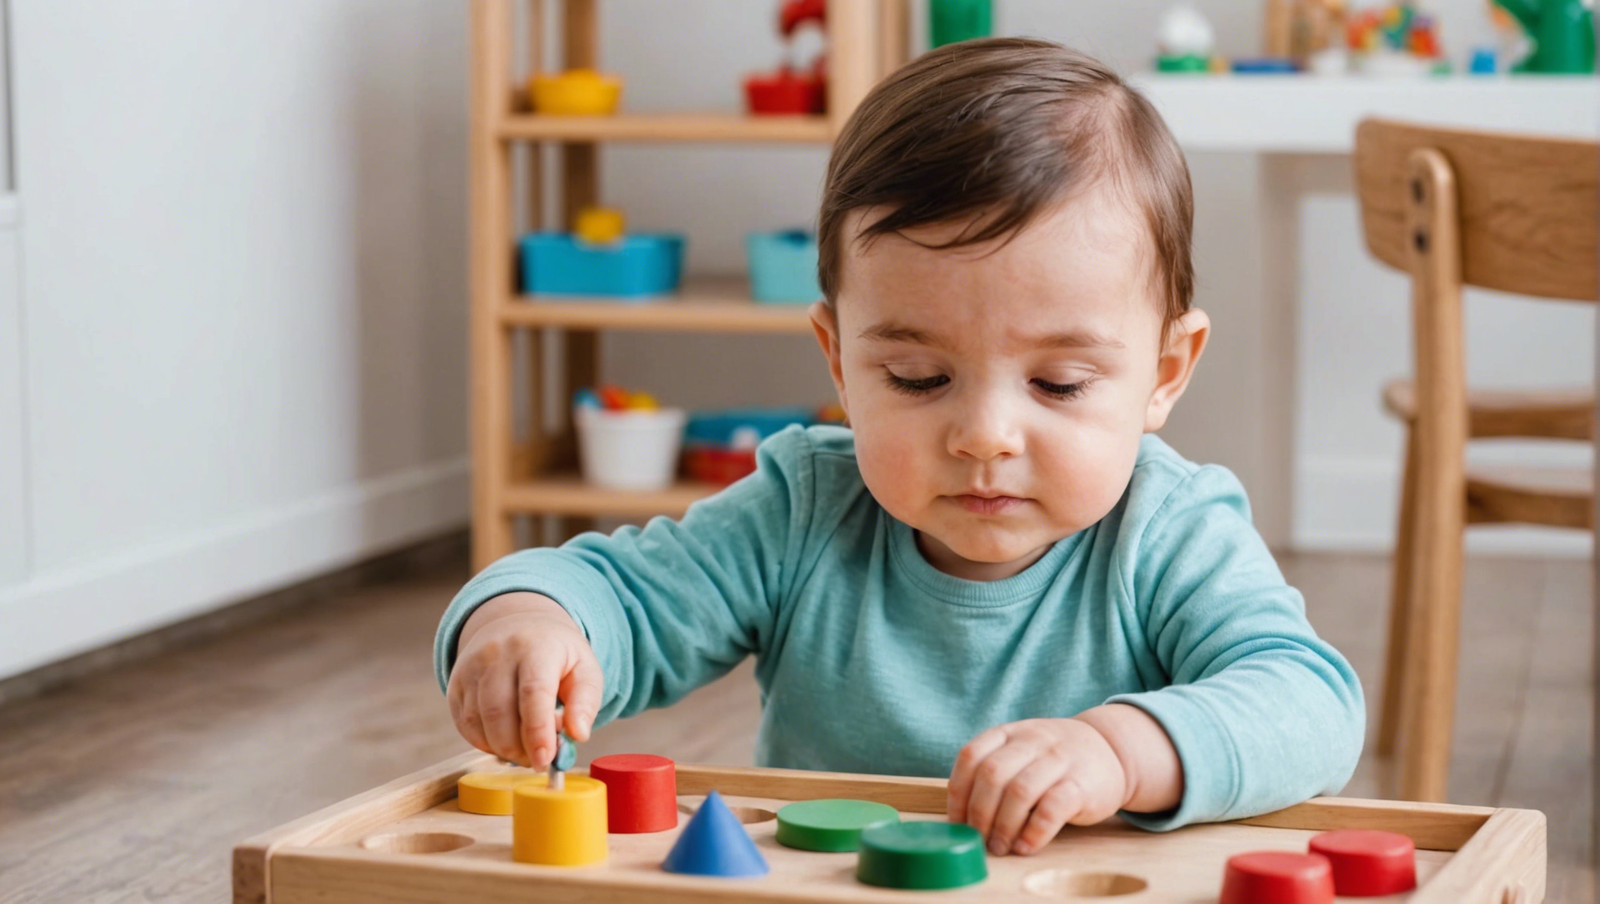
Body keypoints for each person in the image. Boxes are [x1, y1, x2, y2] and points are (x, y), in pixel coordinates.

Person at [435, 37, 1364, 858]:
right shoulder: (802, 509)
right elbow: (621, 596)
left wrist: (1124, 749)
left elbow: (1311, 704)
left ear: (1165, 371)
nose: (985, 436)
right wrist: (526, 620)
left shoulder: (1168, 531)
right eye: (919, 379)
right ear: (840, 361)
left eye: (1059, 384)